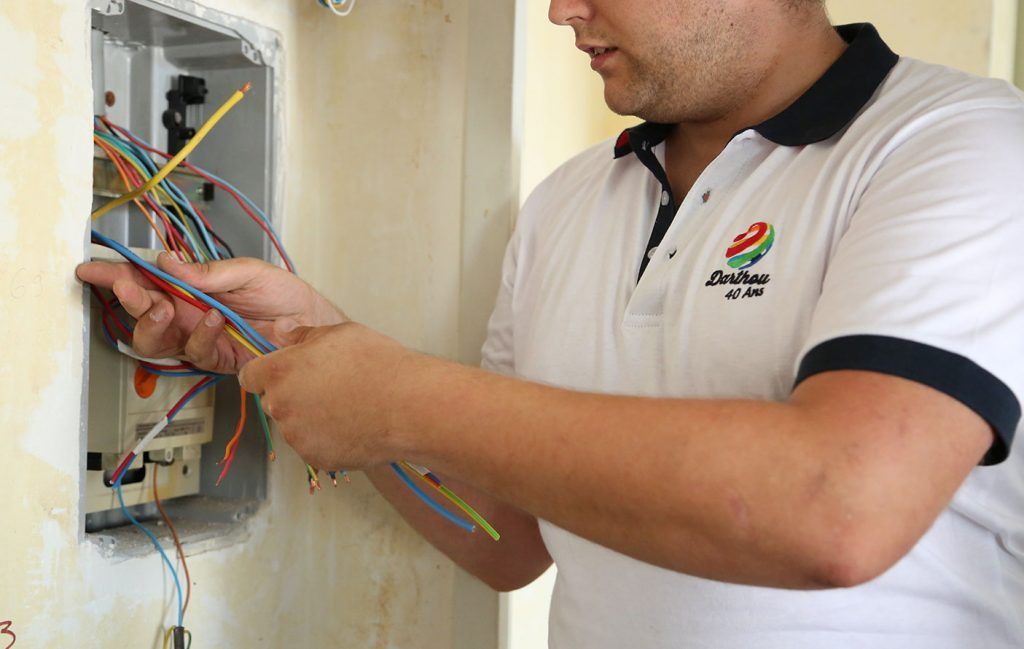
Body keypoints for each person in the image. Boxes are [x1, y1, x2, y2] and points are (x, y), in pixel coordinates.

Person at [79, 1, 1024, 647]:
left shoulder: (959, 144)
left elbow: (838, 508)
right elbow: (507, 537)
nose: (561, 9)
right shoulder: (572, 199)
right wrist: (309, 346)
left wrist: (400, 397)